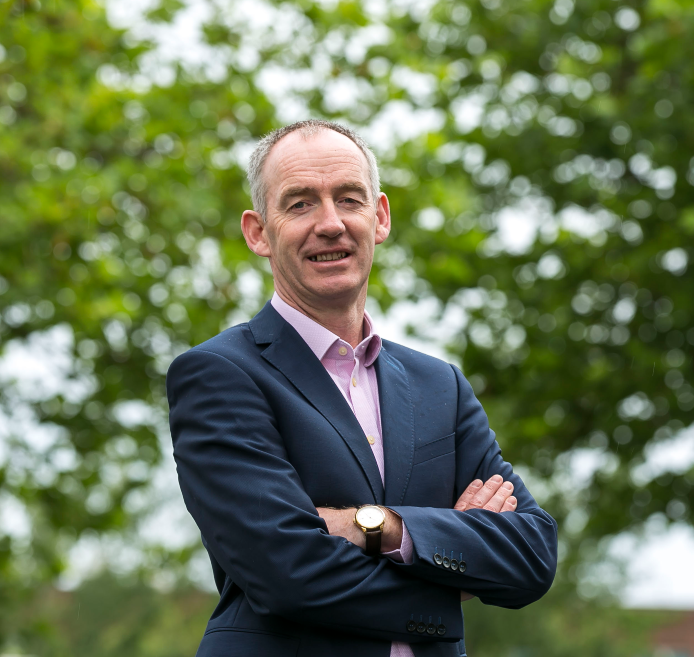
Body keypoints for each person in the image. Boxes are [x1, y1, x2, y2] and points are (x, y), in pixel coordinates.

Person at [167, 119, 558, 657]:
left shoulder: (438, 385)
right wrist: (449, 566)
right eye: (300, 204)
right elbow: (287, 573)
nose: (330, 224)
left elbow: (532, 555)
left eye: (348, 199)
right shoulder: (219, 374)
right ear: (259, 232)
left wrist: (377, 528)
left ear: (379, 217)